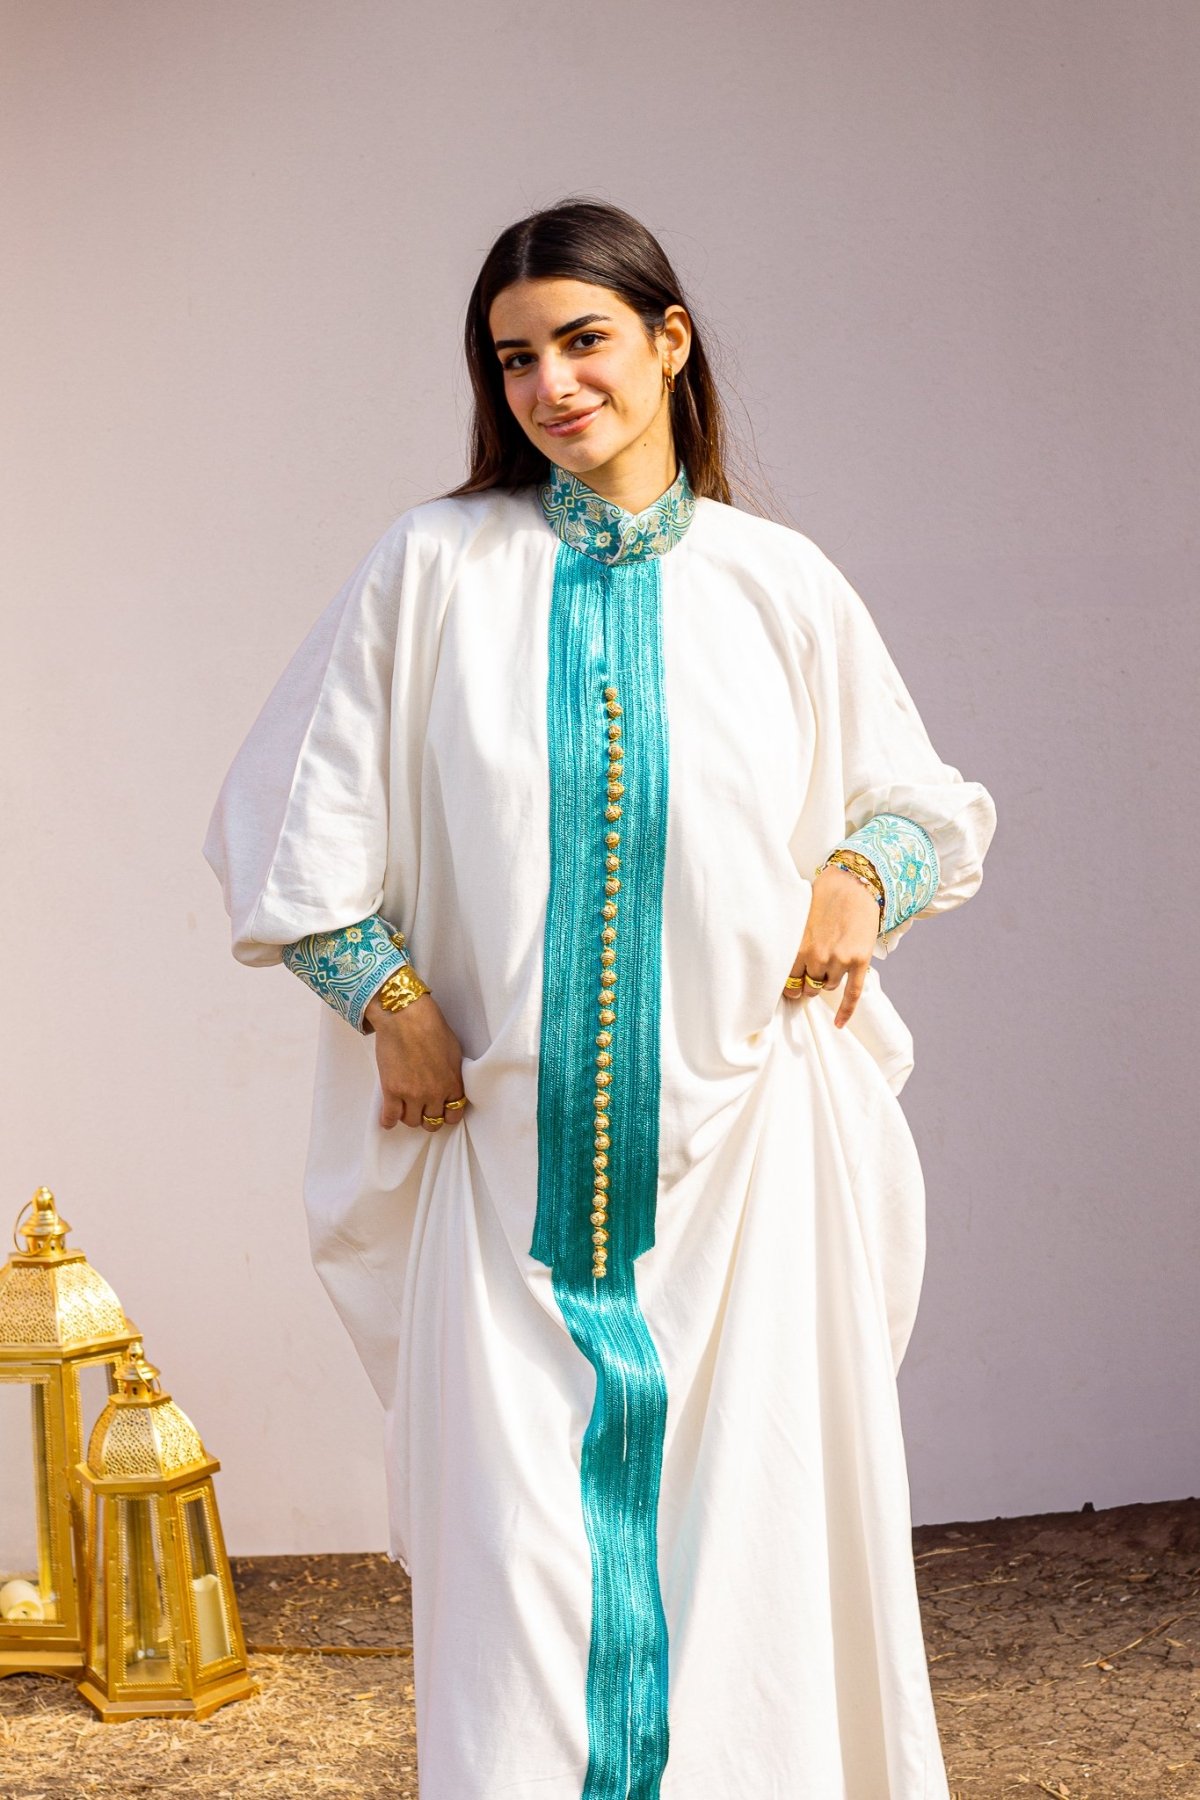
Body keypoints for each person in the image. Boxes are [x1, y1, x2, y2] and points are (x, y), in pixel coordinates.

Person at [203, 196, 997, 1800]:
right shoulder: (435, 568)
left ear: (668, 341)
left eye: (583, 341)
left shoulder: (779, 584)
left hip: (751, 1179)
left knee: (758, 1562)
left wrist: (862, 875)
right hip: (507, 1176)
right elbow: (288, 822)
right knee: (518, 1585)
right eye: (515, 359)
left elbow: (926, 802)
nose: (552, 386)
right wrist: (389, 1000)